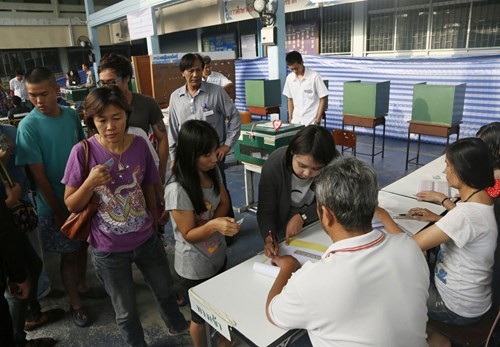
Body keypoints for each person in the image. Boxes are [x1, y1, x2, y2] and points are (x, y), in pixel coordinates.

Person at [62, 86, 188, 347]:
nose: (110, 126)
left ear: (127, 116)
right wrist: (89, 183)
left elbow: (149, 185)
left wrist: (154, 221)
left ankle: (178, 328)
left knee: (165, 290)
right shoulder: (81, 152)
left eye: (117, 117)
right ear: (91, 121)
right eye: (102, 120)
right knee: (126, 310)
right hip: (108, 249)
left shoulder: (140, 144)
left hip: (146, 240)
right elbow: (72, 205)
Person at [266, 156, 430, 346]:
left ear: (326, 215)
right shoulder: (410, 248)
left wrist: (288, 267)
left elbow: (273, 313)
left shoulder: (313, 281)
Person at [376, 138, 498, 345]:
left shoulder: (465, 216)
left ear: (462, 171)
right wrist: (442, 211)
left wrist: (380, 213)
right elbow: (468, 221)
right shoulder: (483, 200)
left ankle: (428, 338)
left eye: (448, 165)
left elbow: (409, 247)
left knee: (386, 289)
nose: (445, 170)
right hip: (473, 298)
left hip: (455, 307)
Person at [16, 66, 104, 328]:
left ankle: (83, 285)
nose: (38, 101)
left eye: (43, 94)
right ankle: (75, 303)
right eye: (32, 95)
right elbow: (39, 177)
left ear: (57, 90)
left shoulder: (69, 116)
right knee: (68, 255)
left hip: (82, 196)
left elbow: (84, 153)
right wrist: (58, 210)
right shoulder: (28, 127)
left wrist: (89, 193)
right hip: (53, 203)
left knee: (82, 247)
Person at [164, 119, 239, 346]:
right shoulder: (177, 189)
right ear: (190, 154)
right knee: (200, 318)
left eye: (215, 152)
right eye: (206, 155)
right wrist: (215, 225)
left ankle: (223, 341)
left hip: (217, 255)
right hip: (194, 266)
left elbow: (225, 202)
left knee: (220, 304)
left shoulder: (212, 170)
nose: (214, 158)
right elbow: (188, 233)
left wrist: (213, 222)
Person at [168, 53, 241, 217]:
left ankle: (226, 229)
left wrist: (227, 144)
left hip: (212, 155)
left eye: (198, 70)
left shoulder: (216, 92)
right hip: (187, 157)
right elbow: (173, 129)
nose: (195, 75)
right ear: (183, 73)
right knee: (191, 191)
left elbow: (234, 116)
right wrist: (174, 157)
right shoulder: (176, 97)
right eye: (190, 70)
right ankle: (202, 229)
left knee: (218, 189)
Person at [258, 125, 339, 257]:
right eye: (301, 165)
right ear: (292, 153)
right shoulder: (274, 165)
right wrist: (268, 238)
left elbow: (332, 200)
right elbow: (266, 210)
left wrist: (303, 216)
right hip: (282, 229)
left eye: (316, 168)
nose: (307, 173)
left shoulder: (333, 164)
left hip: (315, 224)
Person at [98, 53, 169, 201]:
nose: (106, 88)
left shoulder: (147, 104)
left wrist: (159, 174)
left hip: (143, 175)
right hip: (113, 181)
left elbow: (162, 139)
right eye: (102, 83)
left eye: (111, 82)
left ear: (126, 78)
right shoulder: (98, 108)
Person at [416, 121, 500, 207]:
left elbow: (469, 217)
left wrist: (442, 199)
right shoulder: (491, 173)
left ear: (497, 150)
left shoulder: (496, 181)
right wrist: (470, 194)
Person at [283, 51, 328, 126]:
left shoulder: (314, 76)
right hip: (296, 122)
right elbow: (290, 99)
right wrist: (290, 119)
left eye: (296, 68)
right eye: (292, 69)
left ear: (302, 62)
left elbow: (323, 97)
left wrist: (318, 120)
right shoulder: (289, 78)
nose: (294, 71)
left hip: (311, 122)